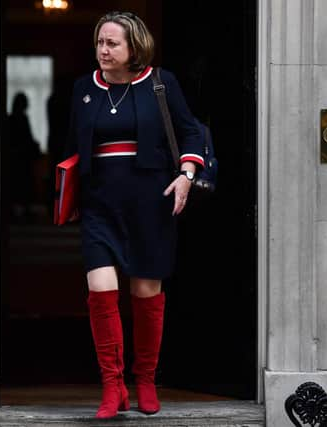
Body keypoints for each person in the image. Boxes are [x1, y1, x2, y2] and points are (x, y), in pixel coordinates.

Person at [65, 11, 204, 419]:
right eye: (100, 43)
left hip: (150, 204)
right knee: (101, 292)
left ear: (134, 48)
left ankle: (144, 380)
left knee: (146, 295)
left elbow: (191, 132)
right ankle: (113, 386)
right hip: (99, 206)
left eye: (112, 44)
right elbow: (72, 146)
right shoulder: (83, 90)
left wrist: (186, 174)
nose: (103, 50)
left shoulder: (161, 84)